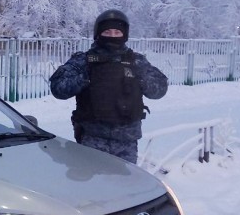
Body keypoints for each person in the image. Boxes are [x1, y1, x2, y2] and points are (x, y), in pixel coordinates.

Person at [49, 9, 168, 164]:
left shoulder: (136, 61)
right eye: (108, 32)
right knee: (93, 186)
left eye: (117, 32)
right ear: (98, 33)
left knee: (124, 185)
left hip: (127, 142)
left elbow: (159, 90)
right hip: (93, 139)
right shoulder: (85, 61)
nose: (112, 36)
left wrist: (141, 79)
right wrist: (86, 78)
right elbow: (58, 89)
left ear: (124, 34)